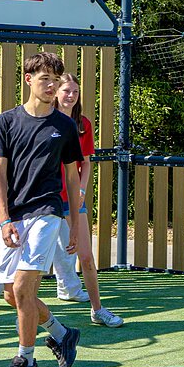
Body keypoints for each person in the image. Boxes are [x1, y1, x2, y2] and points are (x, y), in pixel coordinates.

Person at [0, 51, 85, 367]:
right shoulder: (6, 122)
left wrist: (72, 220)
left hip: (48, 213)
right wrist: (3, 219)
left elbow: (72, 176)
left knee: (25, 288)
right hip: (14, 217)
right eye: (46, 80)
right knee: (12, 294)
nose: (52, 86)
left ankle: (25, 361)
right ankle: (60, 334)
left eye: (56, 81)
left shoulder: (65, 125)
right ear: (28, 79)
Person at [45, 73, 122, 326]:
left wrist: (81, 191)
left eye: (75, 92)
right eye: (66, 90)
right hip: (44, 200)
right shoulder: (44, 120)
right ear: (56, 92)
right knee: (29, 260)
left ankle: (97, 310)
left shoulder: (83, 124)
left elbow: (86, 163)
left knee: (86, 256)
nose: (70, 95)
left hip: (72, 200)